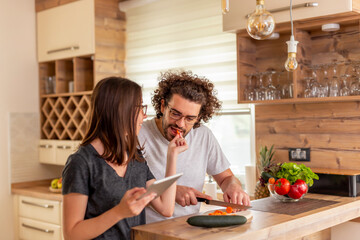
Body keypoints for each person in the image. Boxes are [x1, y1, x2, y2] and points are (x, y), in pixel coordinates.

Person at [62, 77, 188, 239]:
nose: (144, 116)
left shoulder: (134, 156)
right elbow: (71, 234)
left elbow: (166, 208)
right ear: (121, 110)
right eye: (140, 108)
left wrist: (172, 155)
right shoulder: (81, 163)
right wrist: (119, 212)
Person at [138, 70, 251, 223]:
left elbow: (226, 178)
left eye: (190, 118)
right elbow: (122, 189)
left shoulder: (203, 136)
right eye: (175, 114)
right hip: (147, 230)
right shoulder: (138, 134)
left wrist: (233, 186)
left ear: (199, 117)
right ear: (163, 106)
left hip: (191, 228)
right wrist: (169, 190)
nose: (180, 124)